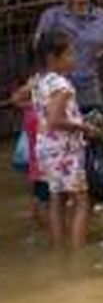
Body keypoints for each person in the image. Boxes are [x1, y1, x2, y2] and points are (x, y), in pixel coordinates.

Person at [32, 31, 99, 248]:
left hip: (45, 148)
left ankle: (58, 252)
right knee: (82, 202)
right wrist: (84, 127)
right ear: (53, 57)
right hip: (65, 150)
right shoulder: (62, 85)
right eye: (69, 54)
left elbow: (45, 118)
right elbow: (55, 120)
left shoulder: (38, 81)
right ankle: (78, 256)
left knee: (56, 200)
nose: (74, 59)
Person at [11, 75, 48, 232]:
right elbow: (16, 99)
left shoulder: (32, 107)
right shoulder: (32, 107)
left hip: (37, 162)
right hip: (41, 162)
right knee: (44, 198)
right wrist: (32, 85)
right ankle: (47, 228)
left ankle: (40, 224)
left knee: (38, 195)